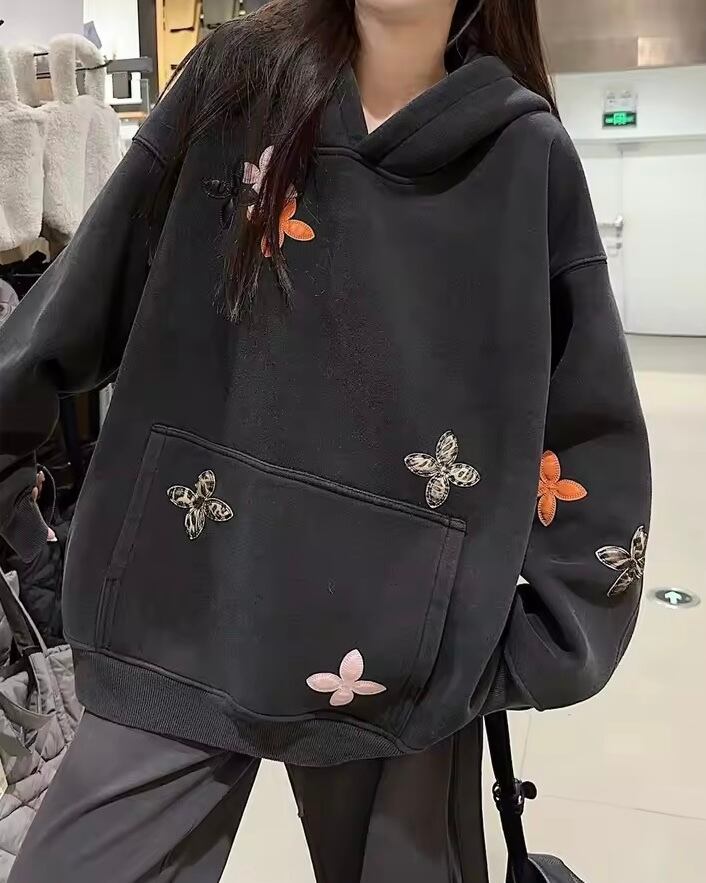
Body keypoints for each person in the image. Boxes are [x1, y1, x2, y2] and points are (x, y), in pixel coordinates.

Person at [0, 1, 651, 880]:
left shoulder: (523, 156)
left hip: (397, 677)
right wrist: (28, 542)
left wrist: (487, 646)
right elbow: (72, 307)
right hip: (177, 617)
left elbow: (592, 441)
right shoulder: (234, 86)